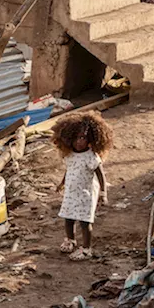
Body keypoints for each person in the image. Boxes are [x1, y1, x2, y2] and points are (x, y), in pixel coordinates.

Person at [51, 111, 114, 260]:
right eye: (76, 138)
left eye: (83, 138)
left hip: (86, 193)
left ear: (90, 139)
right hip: (71, 192)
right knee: (68, 217)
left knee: (85, 222)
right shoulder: (70, 154)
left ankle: (86, 248)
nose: (79, 142)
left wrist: (103, 193)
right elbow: (69, 169)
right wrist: (62, 183)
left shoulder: (91, 156)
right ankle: (70, 240)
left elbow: (100, 175)